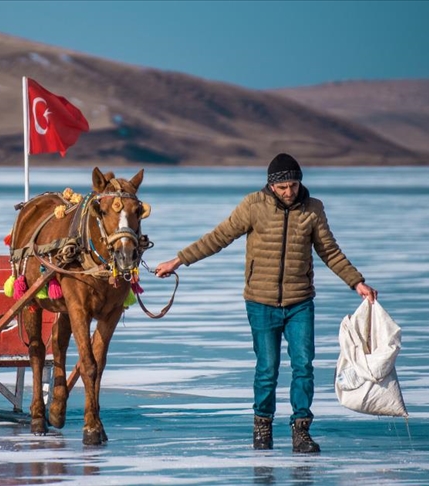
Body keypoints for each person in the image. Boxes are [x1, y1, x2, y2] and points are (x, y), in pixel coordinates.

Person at [154, 153, 377, 453]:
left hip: (300, 301)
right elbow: (218, 237)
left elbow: (330, 251)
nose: (289, 192)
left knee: (303, 366)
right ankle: (262, 427)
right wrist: (178, 260)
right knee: (267, 368)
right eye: (282, 187)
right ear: (271, 185)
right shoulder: (253, 205)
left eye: (293, 185)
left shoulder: (313, 209)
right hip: (260, 302)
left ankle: (301, 431)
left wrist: (356, 282)